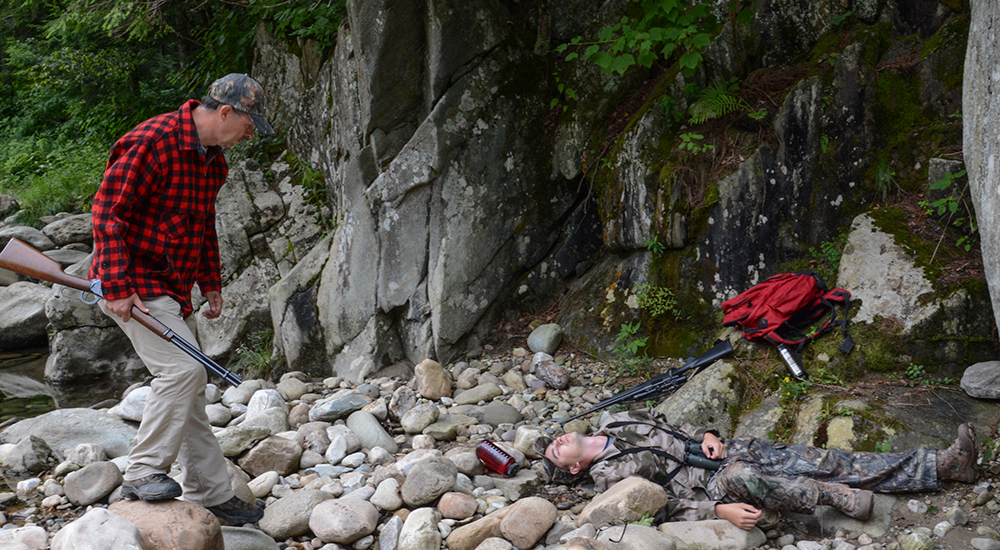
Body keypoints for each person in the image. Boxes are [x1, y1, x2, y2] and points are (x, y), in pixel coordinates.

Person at [89, 73, 274, 525]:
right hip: (133, 283)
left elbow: (202, 222)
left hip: (172, 289)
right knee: (182, 370)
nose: (250, 135)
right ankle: (142, 472)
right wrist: (116, 287)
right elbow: (106, 213)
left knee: (190, 391)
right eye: (249, 125)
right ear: (226, 112)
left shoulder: (213, 159)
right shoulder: (153, 141)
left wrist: (210, 280)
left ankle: (211, 495)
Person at [537, 408, 977, 531]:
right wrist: (717, 514)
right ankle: (829, 496)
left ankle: (942, 466)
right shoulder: (607, 479)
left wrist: (707, 432)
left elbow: (676, 425)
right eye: (556, 454)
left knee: (828, 459)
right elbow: (663, 508)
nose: (558, 442)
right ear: (574, 468)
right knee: (739, 479)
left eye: (554, 439)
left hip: (725, 450)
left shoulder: (617, 418)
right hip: (712, 483)